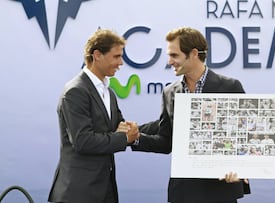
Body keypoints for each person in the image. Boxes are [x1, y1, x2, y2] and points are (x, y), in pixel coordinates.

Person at [131, 27, 250, 203]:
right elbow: (166, 141)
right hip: (184, 192)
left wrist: (241, 168)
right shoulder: (169, 92)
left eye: (174, 55)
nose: (169, 61)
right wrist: (135, 138)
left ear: (193, 53)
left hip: (221, 190)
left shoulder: (230, 87)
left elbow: (246, 137)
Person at [48, 29, 139, 203]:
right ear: (97, 55)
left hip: (105, 189)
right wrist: (124, 138)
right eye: (116, 57)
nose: (121, 63)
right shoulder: (76, 91)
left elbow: (119, 127)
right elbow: (83, 141)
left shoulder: (109, 92)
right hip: (78, 193)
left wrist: (133, 130)